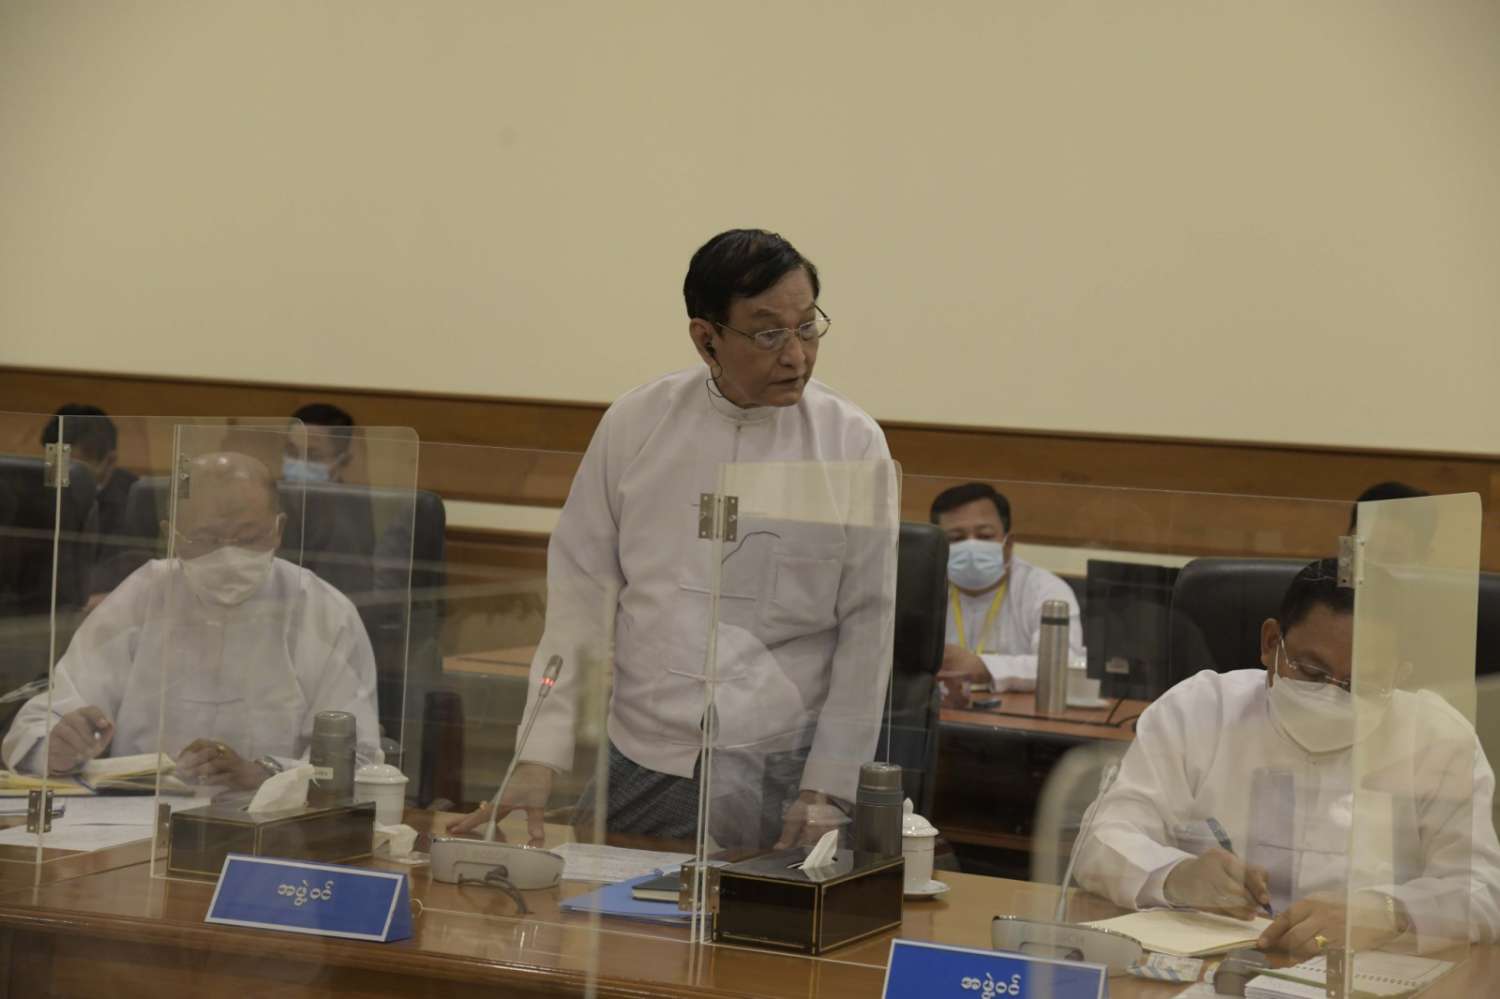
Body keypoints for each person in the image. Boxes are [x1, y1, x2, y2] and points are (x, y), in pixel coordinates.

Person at [450, 229, 896, 850]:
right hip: (646, 753)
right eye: (768, 334)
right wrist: (538, 756)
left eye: (807, 327)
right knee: (612, 908)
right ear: (706, 338)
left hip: (786, 764)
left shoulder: (851, 442)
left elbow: (868, 628)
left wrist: (828, 785)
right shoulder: (636, 425)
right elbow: (579, 600)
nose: (796, 355)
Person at [1072, 559, 1500, 955]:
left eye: (1364, 684)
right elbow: (1100, 840)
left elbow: (1483, 892)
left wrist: (1388, 912)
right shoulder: (1199, 711)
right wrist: (1174, 875)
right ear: (1271, 643)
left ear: (1398, 674)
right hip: (1216, 965)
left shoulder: (1437, 739)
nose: (1334, 696)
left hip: (1364, 975)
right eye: (1312, 672)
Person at [1, 452, 382, 787]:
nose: (229, 557)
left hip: (274, 823)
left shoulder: (324, 612)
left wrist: (264, 773)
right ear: (171, 535)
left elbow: (359, 760)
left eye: (248, 538)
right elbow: (41, 723)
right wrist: (57, 747)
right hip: (135, 820)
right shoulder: (141, 597)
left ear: (278, 529)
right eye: (207, 540)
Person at [929, 482, 1083, 706]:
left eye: (984, 536)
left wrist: (984, 667)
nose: (971, 547)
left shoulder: (1046, 590)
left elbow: (1066, 665)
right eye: (956, 538)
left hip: (1023, 720)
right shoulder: (921, 588)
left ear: (1008, 543)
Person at [40, 404, 138, 540]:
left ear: (109, 462)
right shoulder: (36, 490)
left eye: (72, 470)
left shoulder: (134, 504)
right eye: (53, 463)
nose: (59, 476)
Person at [284, 402, 356, 483]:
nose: (298, 466)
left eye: (313, 456)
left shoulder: (356, 491)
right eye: (292, 452)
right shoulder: (274, 489)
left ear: (343, 462)